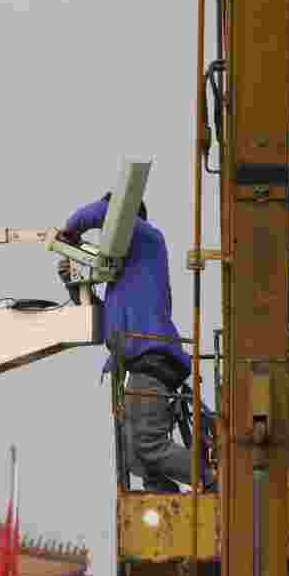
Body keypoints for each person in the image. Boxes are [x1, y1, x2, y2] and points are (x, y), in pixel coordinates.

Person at [57, 194, 217, 493]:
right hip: (140, 363)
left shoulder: (149, 238)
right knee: (133, 455)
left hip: (152, 358)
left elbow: (107, 211)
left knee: (148, 442)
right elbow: (105, 322)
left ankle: (214, 482)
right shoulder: (125, 282)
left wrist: (70, 231)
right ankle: (164, 498)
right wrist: (72, 283)